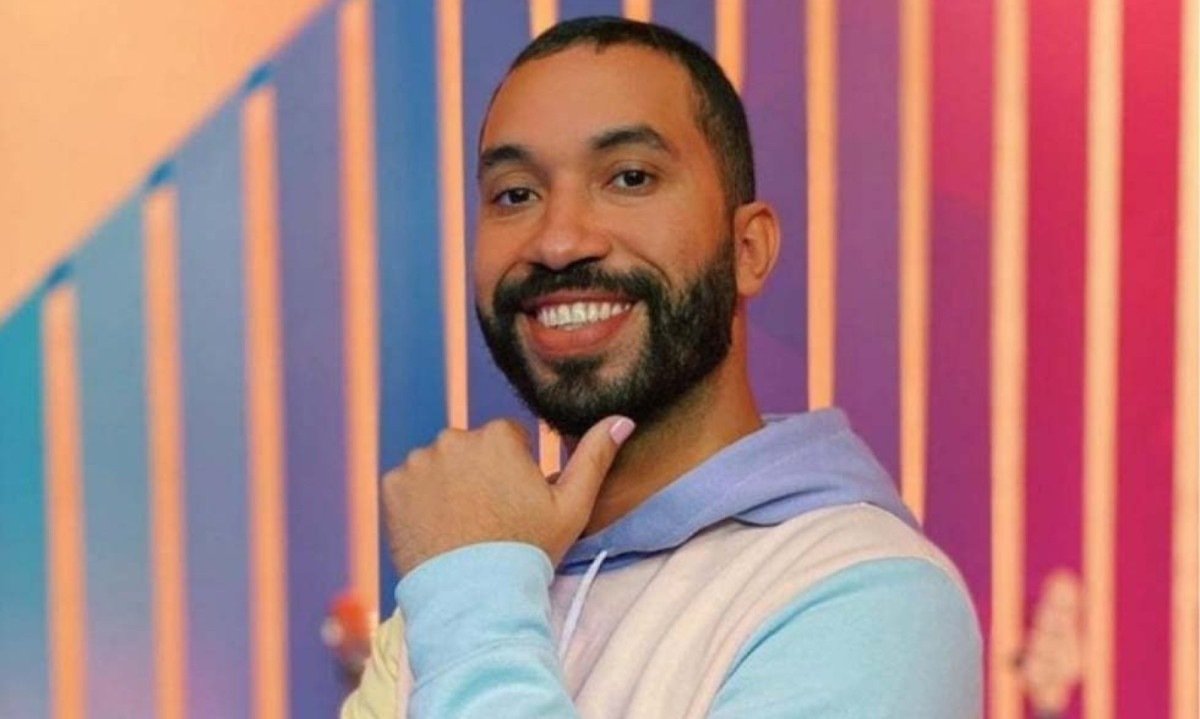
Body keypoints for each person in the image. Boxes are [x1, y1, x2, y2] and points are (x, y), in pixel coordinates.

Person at [342, 16, 981, 718]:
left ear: (747, 250)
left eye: (629, 177)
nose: (559, 242)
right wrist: (473, 582)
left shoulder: (869, 594)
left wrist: (472, 594)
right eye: (515, 194)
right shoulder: (468, 580)